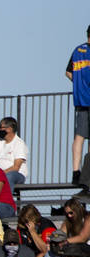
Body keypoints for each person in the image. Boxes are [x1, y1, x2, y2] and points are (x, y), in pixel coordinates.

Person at [66, 26, 90, 188]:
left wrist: (79, 86)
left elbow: (68, 72)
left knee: (79, 137)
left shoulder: (77, 51)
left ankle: (76, 172)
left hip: (80, 100)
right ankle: (87, 171)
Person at [0, 117, 28, 190]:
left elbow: (16, 167)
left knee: (9, 176)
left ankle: (5, 200)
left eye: (1, 127)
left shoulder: (19, 143)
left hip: (16, 174)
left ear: (9, 129)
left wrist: (0, 174)